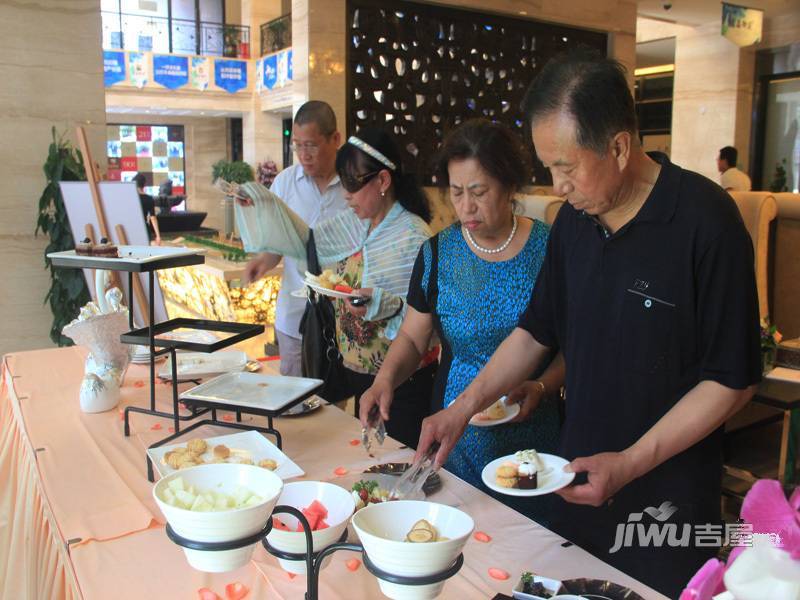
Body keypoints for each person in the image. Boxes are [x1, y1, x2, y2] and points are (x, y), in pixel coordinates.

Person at [414, 51, 761, 597]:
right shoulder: (575, 224)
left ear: (619, 147)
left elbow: (731, 380)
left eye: (567, 167)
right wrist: (461, 409)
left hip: (663, 508)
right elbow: (536, 333)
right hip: (573, 484)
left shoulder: (705, 223)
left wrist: (629, 463)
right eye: (549, 168)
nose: (557, 186)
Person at [358, 119, 564, 523]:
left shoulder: (551, 248)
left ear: (509, 186)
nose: (466, 206)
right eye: (456, 192)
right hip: (455, 434)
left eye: (479, 192)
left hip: (535, 437)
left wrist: (543, 384)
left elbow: (574, 345)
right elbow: (414, 339)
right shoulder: (437, 253)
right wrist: (384, 380)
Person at [231, 128, 436, 447]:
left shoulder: (414, 235)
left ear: (383, 181)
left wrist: (382, 302)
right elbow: (306, 242)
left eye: (353, 184)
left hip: (401, 380)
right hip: (355, 371)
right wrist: (262, 206)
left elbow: (424, 318)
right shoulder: (354, 223)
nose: (346, 195)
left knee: (396, 459)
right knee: (366, 458)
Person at [243, 101, 348, 376]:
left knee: (332, 404)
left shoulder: (354, 184)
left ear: (335, 139)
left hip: (343, 318)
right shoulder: (285, 183)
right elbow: (278, 243)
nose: (304, 155)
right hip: (295, 315)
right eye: (298, 146)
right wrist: (262, 262)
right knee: (294, 399)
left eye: (311, 145)